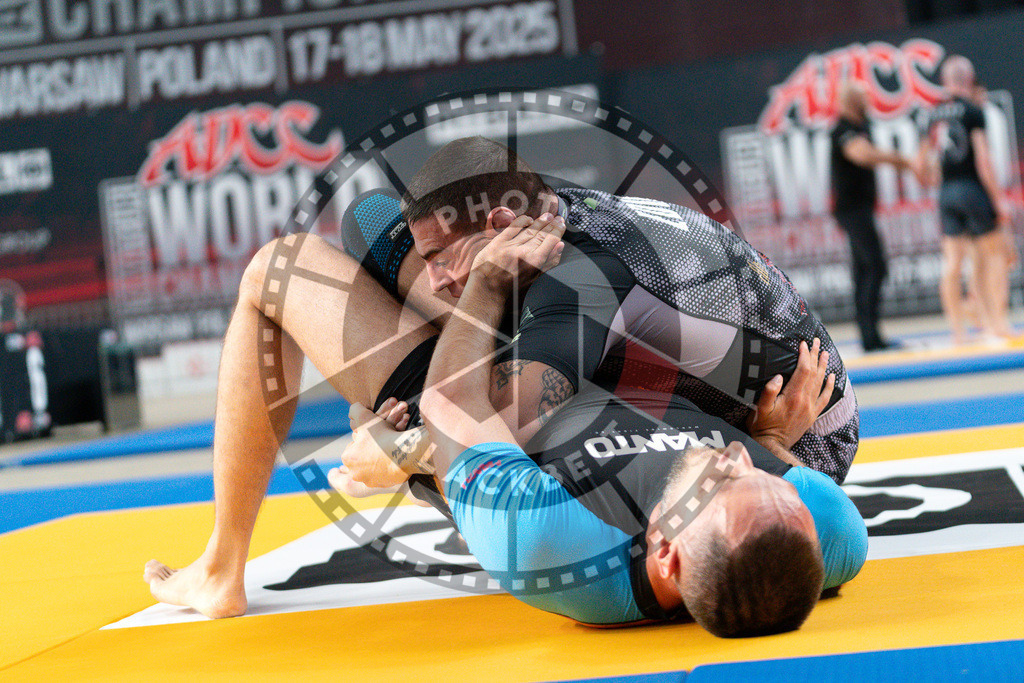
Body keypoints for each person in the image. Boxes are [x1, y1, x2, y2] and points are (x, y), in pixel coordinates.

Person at [144, 138, 858, 618]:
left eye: (447, 261)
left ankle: (219, 566)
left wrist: (397, 451)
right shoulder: (807, 518)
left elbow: (470, 421)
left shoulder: (556, 530)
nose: (441, 278)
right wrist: (772, 445)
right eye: (437, 260)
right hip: (766, 422)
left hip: (732, 415)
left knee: (279, 267)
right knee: (374, 231)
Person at [362, 216, 869, 635]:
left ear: (665, 553)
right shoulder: (828, 530)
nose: (739, 455)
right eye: (768, 478)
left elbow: (452, 407)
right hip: (572, 367)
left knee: (310, 254)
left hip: (465, 406)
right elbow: (784, 478)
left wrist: (488, 282)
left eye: (724, 479)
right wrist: (775, 442)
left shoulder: (547, 547)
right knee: (395, 230)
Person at [918, 56, 1016, 344]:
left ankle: (957, 331)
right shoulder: (974, 110)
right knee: (993, 257)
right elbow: (983, 160)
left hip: (946, 193)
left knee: (952, 263)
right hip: (971, 188)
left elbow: (921, 161)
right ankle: (996, 322)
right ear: (970, 79)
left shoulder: (932, 113)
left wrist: (931, 179)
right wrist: (998, 200)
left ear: (945, 81)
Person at [830, 81, 919, 351]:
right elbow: (863, 155)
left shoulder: (862, 125)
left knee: (863, 270)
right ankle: (870, 336)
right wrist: (904, 161)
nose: (868, 101)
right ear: (851, 101)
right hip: (851, 210)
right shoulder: (842, 130)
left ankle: (871, 337)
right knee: (875, 266)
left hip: (862, 208)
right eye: (863, 97)